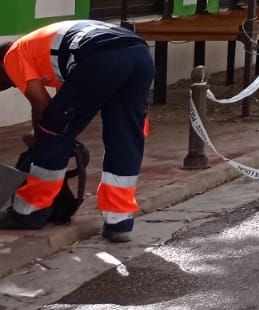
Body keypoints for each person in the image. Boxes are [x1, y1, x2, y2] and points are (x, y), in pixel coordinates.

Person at [0, 19, 155, 242]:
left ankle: (29, 212)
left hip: (101, 56)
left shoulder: (13, 56)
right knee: (125, 137)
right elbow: (71, 104)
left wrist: (43, 137)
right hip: (139, 54)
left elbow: (42, 106)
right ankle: (119, 221)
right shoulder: (42, 47)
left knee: (53, 131)